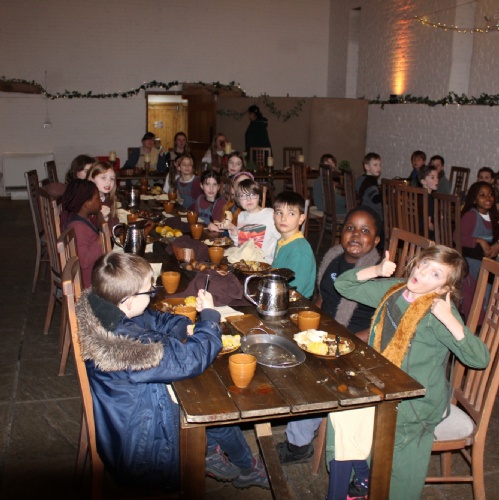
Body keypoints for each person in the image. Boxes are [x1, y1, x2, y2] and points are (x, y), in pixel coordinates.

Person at [75, 252, 269, 490]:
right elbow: (192, 359)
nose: (152, 294)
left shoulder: (108, 311)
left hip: (132, 422)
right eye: (149, 292)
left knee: (201, 395)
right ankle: (239, 464)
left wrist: (184, 325)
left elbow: (152, 319)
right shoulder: (128, 351)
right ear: (128, 300)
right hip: (146, 455)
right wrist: (209, 318)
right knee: (213, 406)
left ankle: (212, 451)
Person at [333, 245, 490, 500]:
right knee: (342, 412)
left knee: (398, 461)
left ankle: (371, 481)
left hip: (417, 404)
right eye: (425, 263)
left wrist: (450, 319)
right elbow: (344, 285)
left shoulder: (436, 313)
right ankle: (362, 479)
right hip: (386, 385)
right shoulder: (395, 290)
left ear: (443, 289)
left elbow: (479, 358)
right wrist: (376, 270)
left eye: (436, 274)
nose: (423, 272)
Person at [276, 206, 382, 466]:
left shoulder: (377, 274)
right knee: (280, 345)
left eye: (365, 231)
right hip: (328, 334)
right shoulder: (334, 257)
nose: (355, 235)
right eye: (350, 228)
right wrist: (307, 323)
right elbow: (324, 296)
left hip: (358, 345)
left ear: (376, 240)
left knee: (312, 375)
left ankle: (298, 445)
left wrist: (345, 342)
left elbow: (382, 324)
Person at [456, 181, 499, 319]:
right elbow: (458, 237)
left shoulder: (493, 216)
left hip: (488, 258)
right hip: (472, 259)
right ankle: (478, 318)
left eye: (491, 195)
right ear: (474, 199)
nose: (488, 198)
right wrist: (479, 241)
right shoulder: (471, 215)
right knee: (483, 280)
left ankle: (490, 315)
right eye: (482, 195)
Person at [60, 179, 104, 288]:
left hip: (96, 273)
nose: (100, 201)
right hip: (91, 282)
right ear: (87, 204)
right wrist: (99, 241)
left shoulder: (83, 218)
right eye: (98, 198)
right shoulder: (78, 227)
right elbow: (84, 260)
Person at [224, 179, 280, 264]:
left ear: (259, 196)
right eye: (243, 195)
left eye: (252, 194)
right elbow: (241, 246)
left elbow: (283, 241)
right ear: (238, 199)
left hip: (264, 265)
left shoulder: (270, 215)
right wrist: (233, 231)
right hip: (245, 264)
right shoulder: (241, 216)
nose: (248, 199)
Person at [272, 191, 316, 299]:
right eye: (279, 212)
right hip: (278, 293)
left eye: (291, 213)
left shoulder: (299, 251)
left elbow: (295, 290)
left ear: (301, 219)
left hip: (294, 302)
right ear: (273, 216)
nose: (283, 218)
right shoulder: (282, 241)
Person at [87, 160, 119, 230]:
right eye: (103, 178)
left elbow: (116, 229)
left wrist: (107, 219)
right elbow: (89, 229)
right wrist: (102, 218)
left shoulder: (108, 200)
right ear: (92, 179)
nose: (109, 182)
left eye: (112, 179)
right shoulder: (87, 202)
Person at [312, 153, 346, 217]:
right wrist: (347, 201)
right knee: (353, 212)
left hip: (323, 206)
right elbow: (336, 200)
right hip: (327, 209)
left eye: (332, 162)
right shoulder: (325, 180)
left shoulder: (322, 178)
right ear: (322, 165)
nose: (331, 164)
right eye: (327, 162)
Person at [355, 152, 383, 222]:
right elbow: (375, 199)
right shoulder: (371, 181)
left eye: (380, 165)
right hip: (372, 214)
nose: (379, 167)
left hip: (361, 210)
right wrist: (386, 193)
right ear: (367, 167)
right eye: (375, 165)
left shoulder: (360, 178)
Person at [417, 163, 439, 239]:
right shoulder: (428, 199)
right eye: (432, 177)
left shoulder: (418, 196)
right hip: (426, 237)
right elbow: (428, 224)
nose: (437, 180)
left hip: (417, 233)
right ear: (423, 181)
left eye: (437, 177)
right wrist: (438, 231)